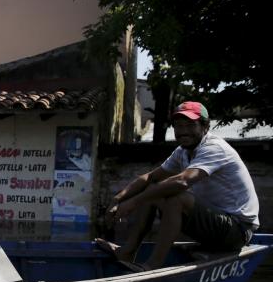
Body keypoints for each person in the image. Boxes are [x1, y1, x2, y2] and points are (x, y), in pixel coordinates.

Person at [96, 101, 259, 271]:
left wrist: (133, 202)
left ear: (205, 126)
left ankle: (151, 266)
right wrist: (118, 199)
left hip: (238, 231)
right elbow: (150, 177)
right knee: (154, 189)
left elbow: (182, 181)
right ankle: (127, 251)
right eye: (178, 126)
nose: (183, 132)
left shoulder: (214, 148)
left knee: (177, 197)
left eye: (190, 125)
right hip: (215, 227)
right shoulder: (183, 151)